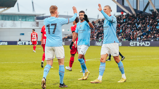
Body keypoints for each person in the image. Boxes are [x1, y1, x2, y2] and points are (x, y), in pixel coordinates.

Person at [41, 5, 77, 88]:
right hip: (57, 44)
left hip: (48, 45)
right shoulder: (59, 20)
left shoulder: (45, 20)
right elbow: (71, 19)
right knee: (61, 63)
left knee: (49, 63)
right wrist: (75, 13)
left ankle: (44, 77)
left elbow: (51, 20)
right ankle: (61, 83)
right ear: (56, 12)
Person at [90, 4, 126, 83]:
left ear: (110, 10)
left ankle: (123, 77)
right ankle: (99, 78)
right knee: (102, 59)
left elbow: (109, 18)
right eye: (104, 9)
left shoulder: (113, 18)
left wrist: (101, 11)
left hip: (113, 42)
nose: (104, 10)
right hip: (105, 43)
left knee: (117, 59)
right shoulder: (105, 20)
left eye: (105, 9)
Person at [70, 10, 94, 80]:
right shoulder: (77, 24)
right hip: (79, 43)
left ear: (84, 15)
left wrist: (88, 20)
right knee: (81, 59)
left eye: (82, 15)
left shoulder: (87, 22)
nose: (81, 16)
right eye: (80, 15)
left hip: (85, 43)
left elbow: (92, 27)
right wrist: (72, 42)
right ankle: (84, 76)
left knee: (80, 58)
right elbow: (76, 34)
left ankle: (86, 71)